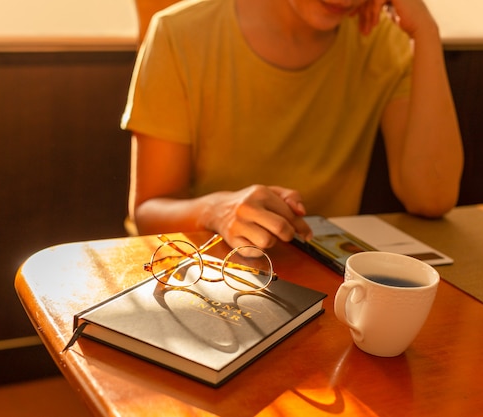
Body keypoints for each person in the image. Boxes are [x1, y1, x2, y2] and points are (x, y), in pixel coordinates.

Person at [121, 0, 464, 250]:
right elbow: (148, 211)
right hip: (204, 268)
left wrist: (425, 31)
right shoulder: (179, 32)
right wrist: (216, 210)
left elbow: (431, 198)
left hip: (330, 281)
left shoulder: (382, 41)